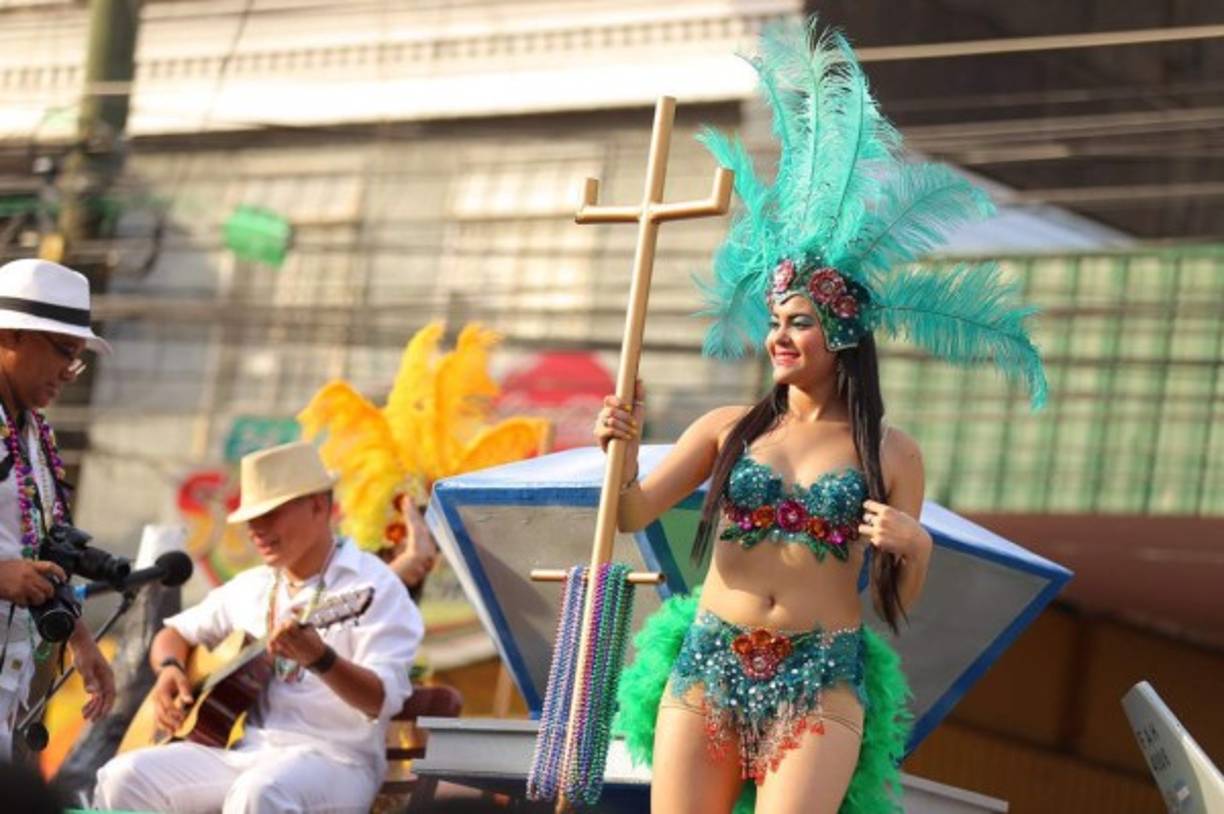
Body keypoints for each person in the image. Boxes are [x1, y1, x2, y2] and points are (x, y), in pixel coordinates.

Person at [598, 18, 1047, 814]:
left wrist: (918, 543)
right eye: (774, 322)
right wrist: (620, 448)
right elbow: (629, 511)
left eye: (799, 322)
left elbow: (895, 595)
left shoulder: (892, 452)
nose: (778, 335)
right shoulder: (724, 428)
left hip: (822, 677)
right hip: (707, 659)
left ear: (841, 336)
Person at [94, 440, 423, 813]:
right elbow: (174, 635)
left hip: (340, 761)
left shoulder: (375, 587)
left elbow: (381, 700)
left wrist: (321, 660)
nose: (255, 530)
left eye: (269, 514)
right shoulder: (255, 585)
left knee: (259, 793)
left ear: (318, 505)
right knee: (122, 777)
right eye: (251, 519)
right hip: (249, 752)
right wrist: (169, 669)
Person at [0, 258, 115, 761]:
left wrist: (79, 635)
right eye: (65, 352)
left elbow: (38, 546)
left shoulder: (34, 434)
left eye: (78, 358)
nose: (70, 373)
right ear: (12, 335)